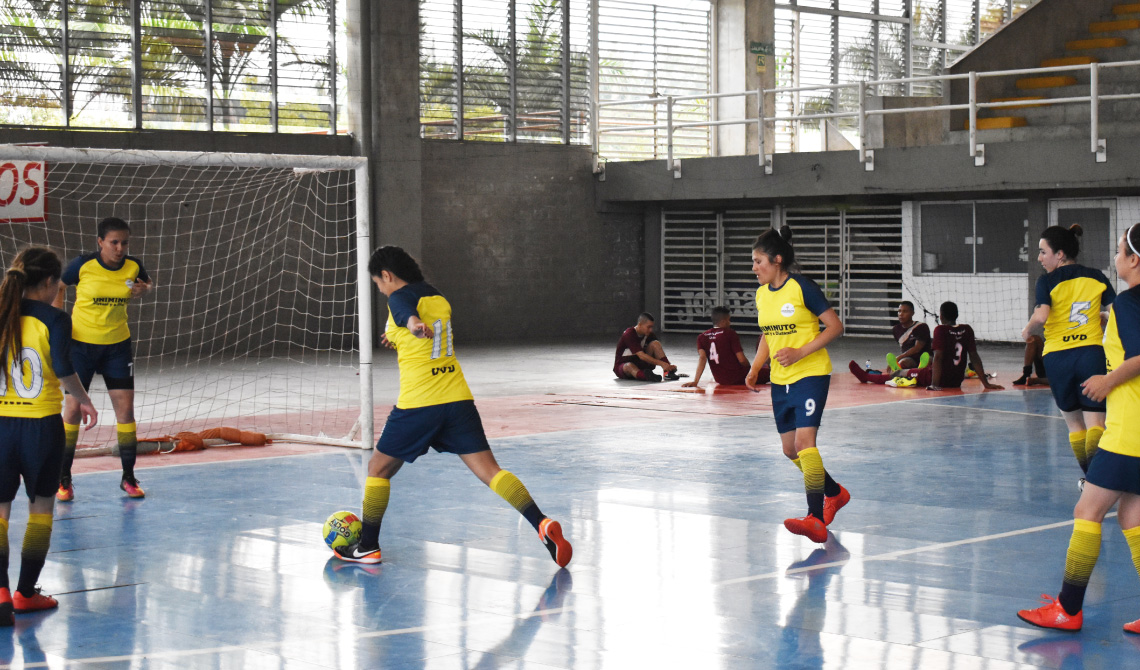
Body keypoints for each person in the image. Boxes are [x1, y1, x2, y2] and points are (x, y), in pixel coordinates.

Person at [333, 246, 572, 567]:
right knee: (492, 472)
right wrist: (400, 334)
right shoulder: (438, 298)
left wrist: (414, 326)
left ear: (387, 275)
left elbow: (406, 311)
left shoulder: (399, 299)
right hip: (457, 399)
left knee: (377, 469)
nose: (381, 289)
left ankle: (368, 547)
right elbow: (413, 324)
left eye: (379, 283)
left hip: (420, 403)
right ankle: (541, 523)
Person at [1015, 224, 1140, 634]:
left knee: (1087, 510)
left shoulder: (1129, 303)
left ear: (1134, 259)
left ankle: (1068, 609)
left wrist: (1109, 380)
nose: (1116, 257)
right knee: (1132, 514)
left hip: (1129, 432)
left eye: (1121, 250)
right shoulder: (1112, 296)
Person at [0, 248, 98, 625]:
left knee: (0, 509)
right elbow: (63, 368)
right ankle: (25, 593)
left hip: (2, 426)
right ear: (49, 283)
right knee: (41, 508)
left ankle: (0, 592)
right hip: (41, 427)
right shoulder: (55, 318)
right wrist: (83, 400)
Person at [746, 225, 849, 544]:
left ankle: (815, 518)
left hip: (811, 373)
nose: (754, 268)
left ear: (777, 260)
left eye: (758, 261)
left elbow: (835, 327)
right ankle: (834, 493)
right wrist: (755, 366)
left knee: (806, 443)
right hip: (781, 379)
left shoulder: (802, 287)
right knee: (790, 450)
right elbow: (768, 334)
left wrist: (801, 351)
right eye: (753, 262)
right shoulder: (762, 295)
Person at [54, 217, 151, 501]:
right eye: (114, 242)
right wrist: (58, 321)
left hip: (117, 348)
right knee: (71, 410)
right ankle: (64, 480)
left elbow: (146, 284)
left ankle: (128, 478)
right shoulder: (82, 265)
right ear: (100, 242)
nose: (120, 248)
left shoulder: (133, 266)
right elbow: (59, 285)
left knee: (126, 412)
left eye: (124, 242)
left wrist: (145, 290)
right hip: (80, 347)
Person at [1021, 224, 1115, 482]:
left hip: (1058, 357)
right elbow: (1118, 311)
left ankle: (1091, 481)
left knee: (1075, 426)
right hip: (1091, 353)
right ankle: (1100, 481)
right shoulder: (1096, 276)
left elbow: (1042, 316)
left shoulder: (1047, 281)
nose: (1039, 258)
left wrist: (1027, 328)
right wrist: (1103, 316)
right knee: (1096, 424)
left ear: (1059, 254)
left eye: (1043, 252)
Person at [848, 301, 1003, 393]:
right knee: (912, 367)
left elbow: (938, 358)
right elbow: (975, 357)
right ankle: (915, 367)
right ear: (956, 314)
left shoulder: (940, 330)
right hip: (956, 379)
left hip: (938, 378)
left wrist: (934, 384)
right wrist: (986, 383)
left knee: (898, 373)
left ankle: (867, 376)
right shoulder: (967, 329)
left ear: (941, 316)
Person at [682, 306, 769, 388]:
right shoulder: (729, 333)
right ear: (723, 321)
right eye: (729, 320)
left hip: (720, 379)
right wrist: (750, 371)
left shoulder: (702, 336)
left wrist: (695, 381)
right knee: (771, 373)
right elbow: (742, 359)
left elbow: (702, 358)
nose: (729, 323)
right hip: (738, 376)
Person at [613, 312, 684, 381]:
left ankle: (667, 372)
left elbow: (657, 351)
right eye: (648, 327)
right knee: (629, 366)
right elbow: (642, 356)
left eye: (652, 327)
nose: (651, 330)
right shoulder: (629, 334)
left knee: (655, 344)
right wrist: (662, 363)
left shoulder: (649, 334)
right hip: (623, 366)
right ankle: (645, 376)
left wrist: (667, 365)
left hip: (639, 363)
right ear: (640, 324)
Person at [887, 301, 931, 371]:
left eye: (905, 311)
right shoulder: (896, 329)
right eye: (899, 311)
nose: (901, 314)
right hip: (910, 359)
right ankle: (899, 371)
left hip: (923, 357)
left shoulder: (921, 327)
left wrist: (899, 357)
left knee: (928, 359)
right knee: (903, 362)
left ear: (912, 313)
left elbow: (917, 348)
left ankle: (921, 368)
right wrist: (900, 359)